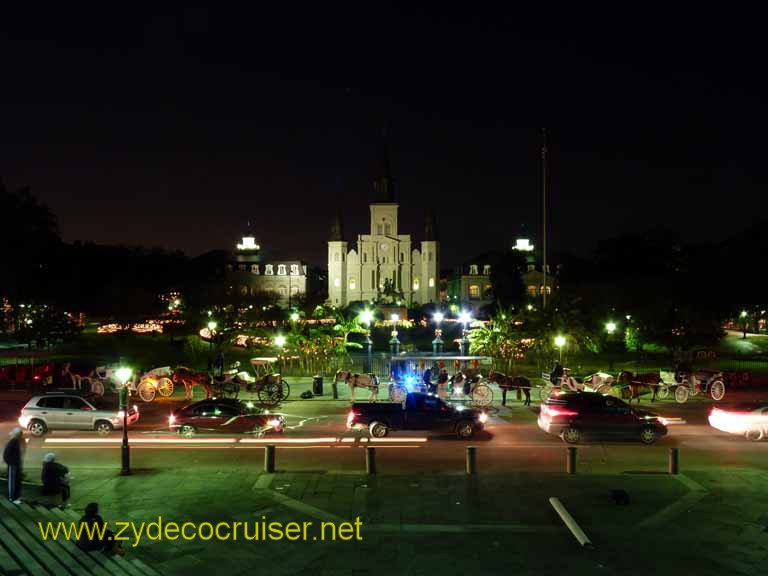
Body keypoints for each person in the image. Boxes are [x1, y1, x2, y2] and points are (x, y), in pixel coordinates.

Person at [3, 427, 24, 504]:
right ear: (17, 435)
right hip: (13, 465)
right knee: (12, 482)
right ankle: (12, 498)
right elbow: (6, 456)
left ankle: (15, 497)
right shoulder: (12, 443)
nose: (21, 436)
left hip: (15, 465)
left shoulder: (15, 442)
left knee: (16, 481)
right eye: (20, 435)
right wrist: (12, 463)